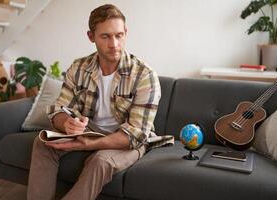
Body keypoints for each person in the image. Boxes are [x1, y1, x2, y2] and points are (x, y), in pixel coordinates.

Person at [27, 4, 173, 200]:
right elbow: (60, 110)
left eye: (119, 35)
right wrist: (66, 124)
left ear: (126, 33)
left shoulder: (144, 76)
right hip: (92, 129)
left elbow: (136, 134)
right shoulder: (79, 68)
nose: (114, 44)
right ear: (91, 37)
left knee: (100, 161)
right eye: (105, 36)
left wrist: (87, 145)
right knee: (42, 142)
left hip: (127, 138)